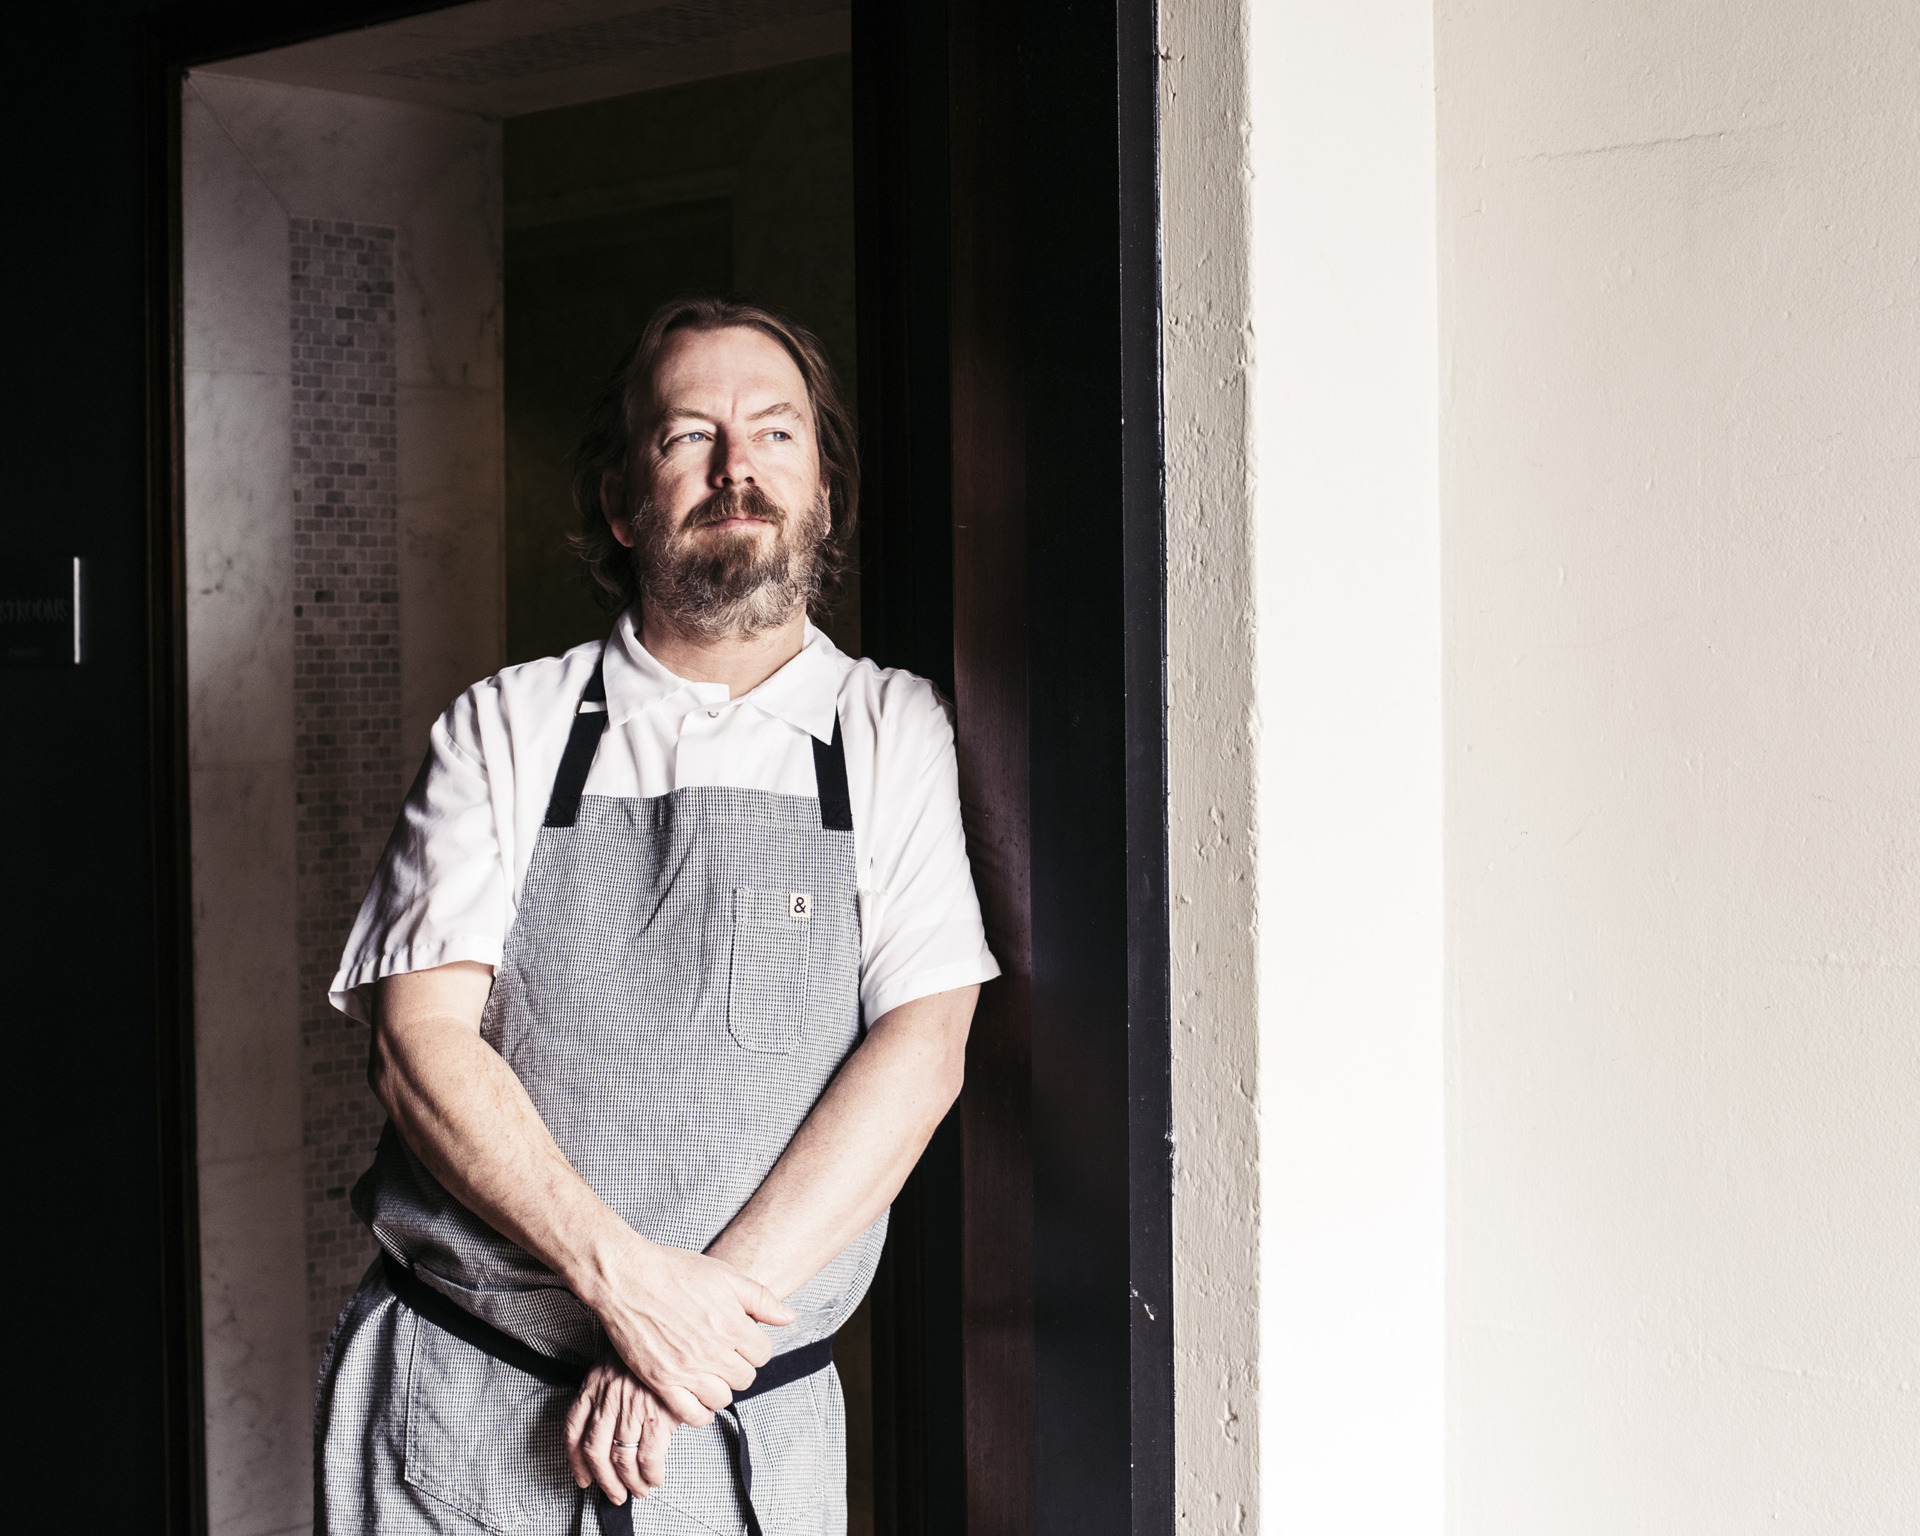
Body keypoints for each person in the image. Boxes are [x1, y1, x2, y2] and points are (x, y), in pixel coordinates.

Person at [315, 296, 998, 1536]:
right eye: (689, 436)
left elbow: (923, 1053)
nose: (738, 469)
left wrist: (685, 1336)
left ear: (824, 495)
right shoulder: (506, 727)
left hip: (738, 1432)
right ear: (622, 505)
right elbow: (419, 1046)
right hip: (463, 1413)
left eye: (775, 435)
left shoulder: (890, 731)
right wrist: (619, 1282)